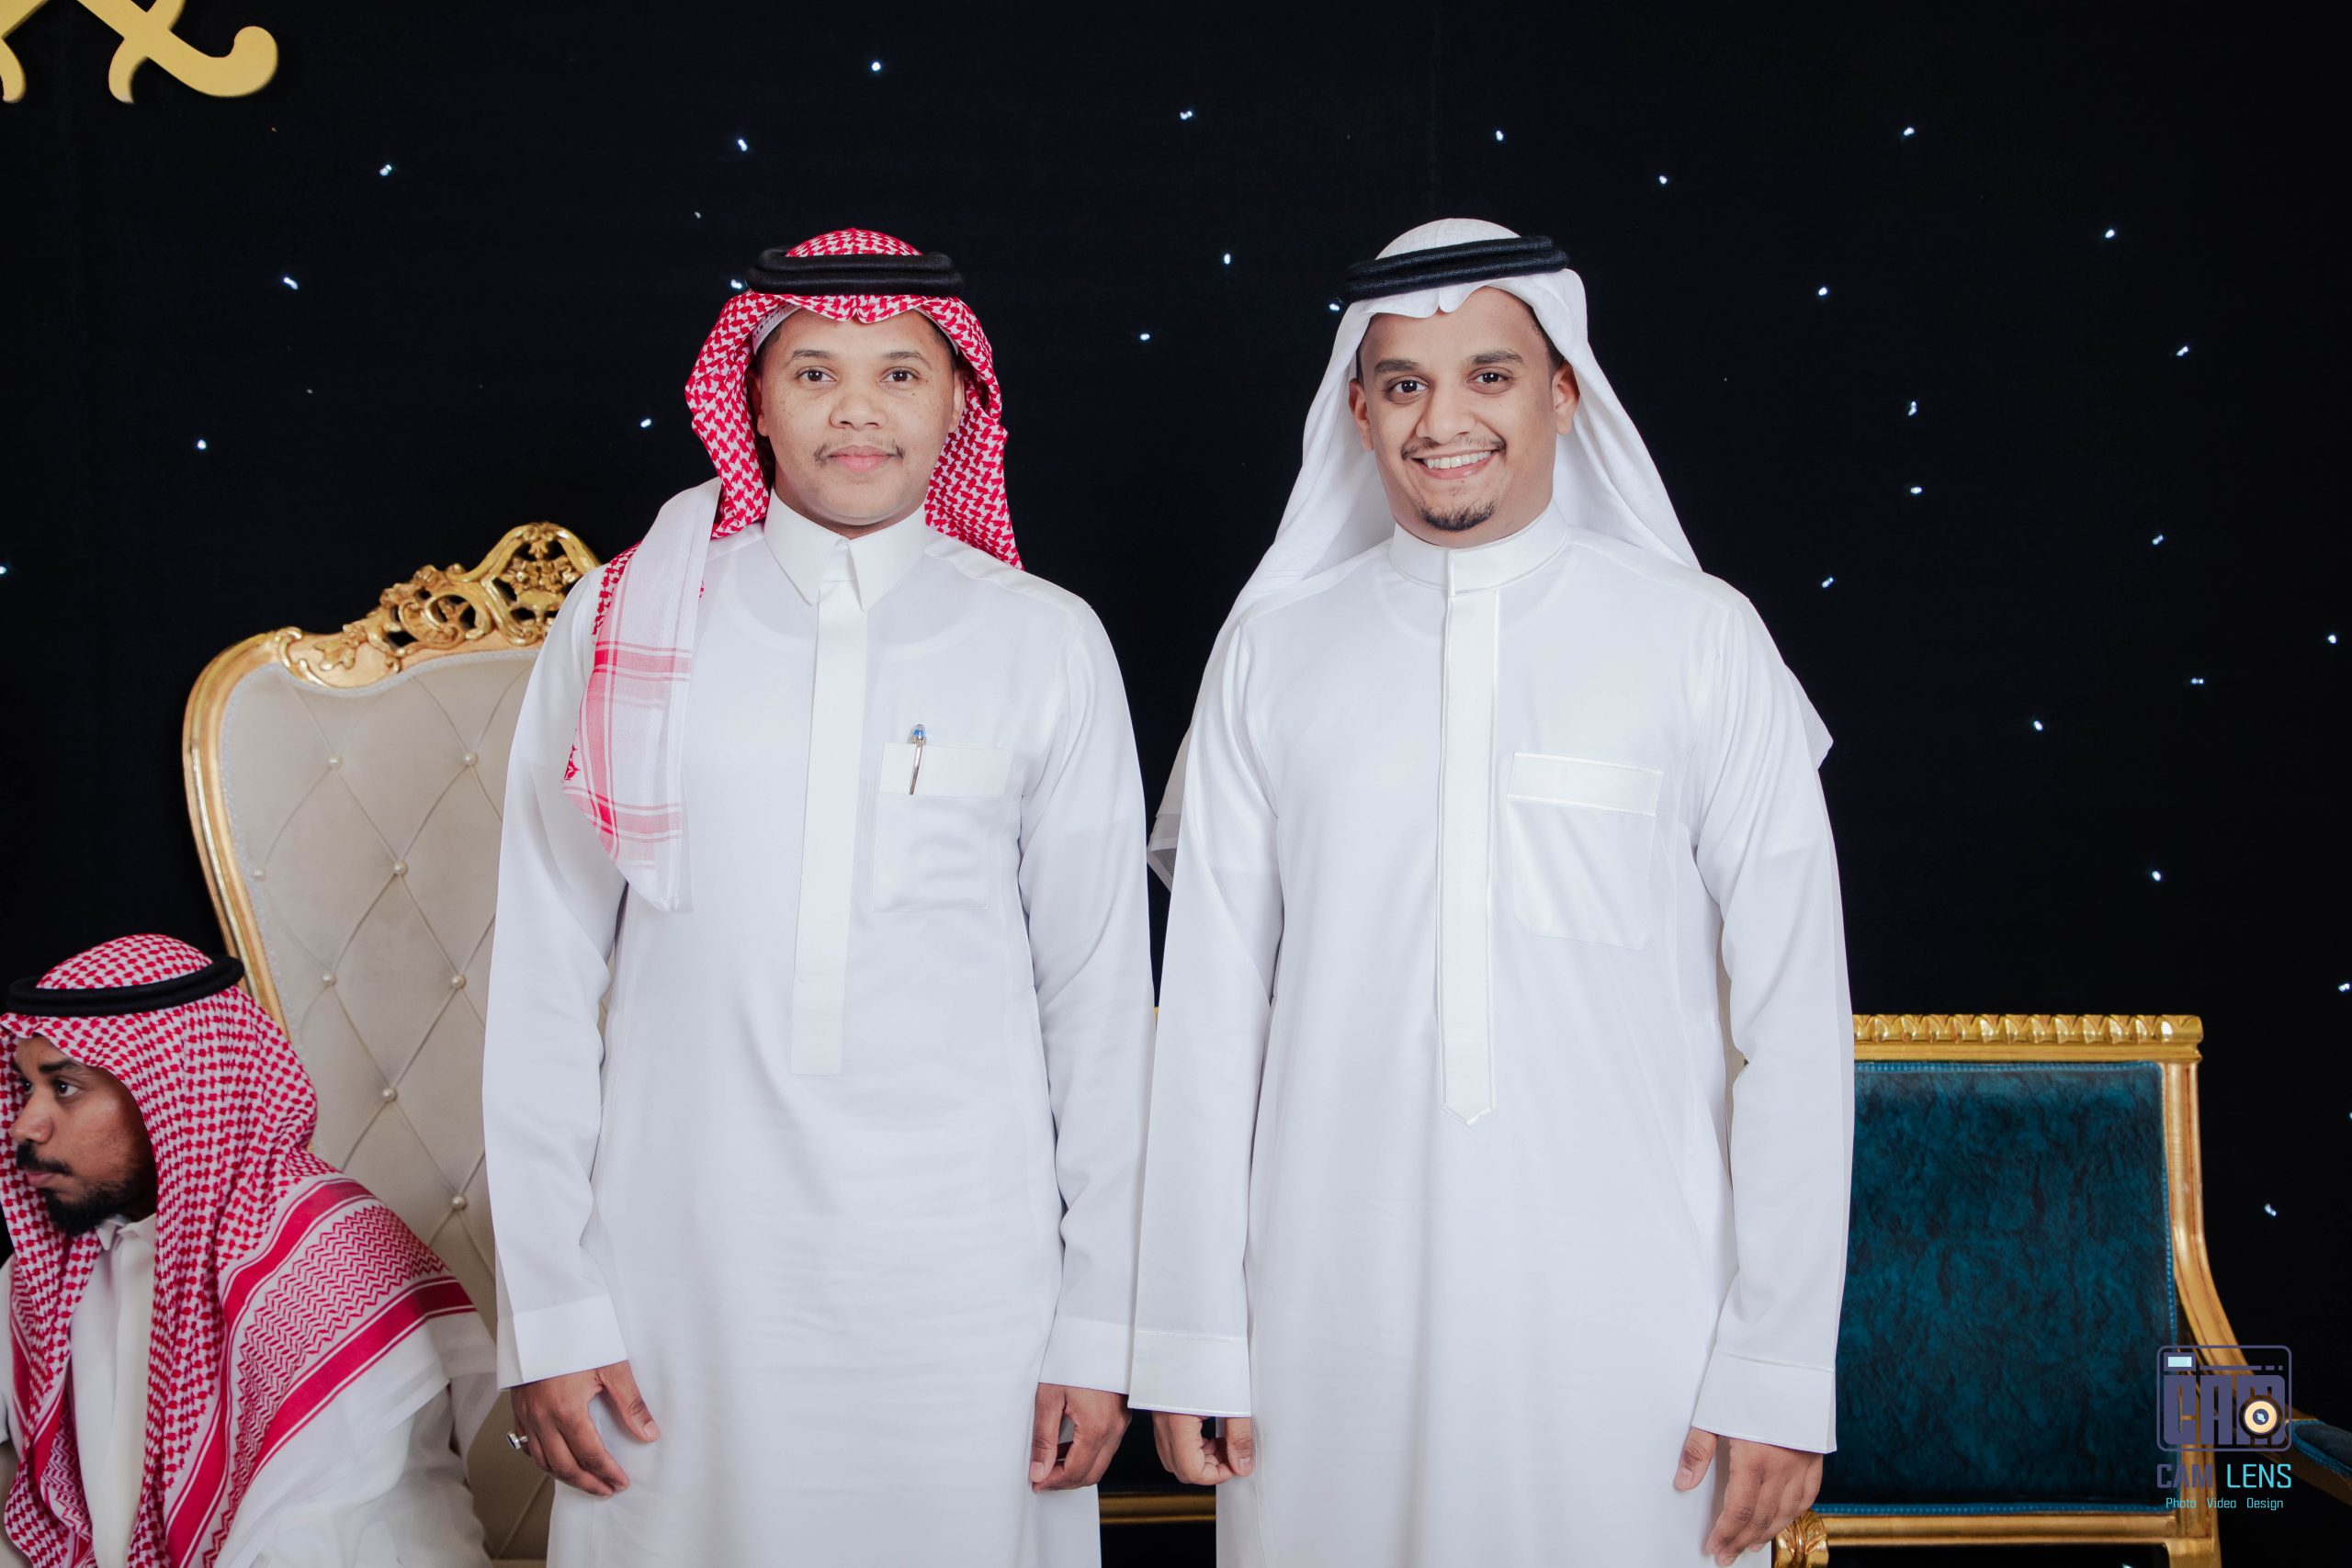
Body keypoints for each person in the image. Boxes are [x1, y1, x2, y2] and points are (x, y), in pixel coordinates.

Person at [1131, 220, 1856, 1566]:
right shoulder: (1273, 656)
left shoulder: (1702, 641)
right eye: (1404, 383)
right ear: (1357, 410)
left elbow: (1796, 1030)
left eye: (1490, 375)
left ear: (1565, 393)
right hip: (1321, 1329)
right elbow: (1211, 1019)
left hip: (1641, 1332)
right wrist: (1189, 1333)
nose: (1444, 420)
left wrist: (1776, 1363)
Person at [483, 229, 1153, 1565]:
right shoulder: (622, 619)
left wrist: (1102, 1317)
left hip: (970, 1282)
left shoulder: (1045, 640)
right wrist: (552, 1308)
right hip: (681, 1268)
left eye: (900, 373)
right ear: (751, 398)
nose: (858, 409)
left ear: (959, 401)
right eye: (814, 373)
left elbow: (1098, 1004)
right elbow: (545, 974)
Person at [0, 934, 495, 1568]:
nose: (25, 1124)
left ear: (177, 1086)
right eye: (28, 1088)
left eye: (65, 1087)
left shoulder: (326, 1255)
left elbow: (311, 1545)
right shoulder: (48, 1271)